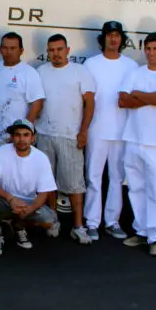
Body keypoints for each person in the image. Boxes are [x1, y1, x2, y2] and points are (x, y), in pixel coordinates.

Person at [118, 32, 156, 257]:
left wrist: (140, 95)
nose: (151, 53)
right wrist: (151, 96)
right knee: (136, 188)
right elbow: (123, 100)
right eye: (148, 49)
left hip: (155, 143)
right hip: (133, 139)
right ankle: (141, 230)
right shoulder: (135, 73)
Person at [35, 34, 95, 244]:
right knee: (47, 181)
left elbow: (89, 102)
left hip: (70, 135)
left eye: (60, 49)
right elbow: (36, 102)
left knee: (74, 183)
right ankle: (53, 220)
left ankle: (78, 226)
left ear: (68, 50)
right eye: (51, 50)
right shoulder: (41, 72)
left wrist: (84, 131)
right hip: (44, 134)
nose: (56, 54)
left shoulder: (80, 72)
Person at [83, 21, 138, 241]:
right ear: (103, 39)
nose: (113, 39)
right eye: (109, 35)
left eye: (117, 35)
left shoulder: (131, 66)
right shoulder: (90, 64)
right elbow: (85, 100)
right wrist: (84, 129)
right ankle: (92, 222)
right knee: (93, 177)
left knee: (117, 178)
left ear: (121, 39)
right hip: (96, 130)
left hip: (122, 131)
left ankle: (112, 222)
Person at [0, 119, 58, 256]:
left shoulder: (41, 158)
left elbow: (44, 192)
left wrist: (29, 209)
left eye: (26, 135)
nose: (21, 139)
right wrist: (11, 199)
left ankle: (19, 226)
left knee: (50, 222)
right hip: (5, 200)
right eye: (17, 135)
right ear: (12, 137)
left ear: (32, 138)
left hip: (29, 203)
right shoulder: (3, 151)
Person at [0, 32, 45, 164]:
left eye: (13, 48)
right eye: (5, 48)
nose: (8, 51)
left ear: (21, 51)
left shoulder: (29, 73)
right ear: (0, 49)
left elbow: (37, 103)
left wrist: (23, 132)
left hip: (15, 141)